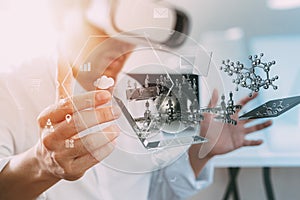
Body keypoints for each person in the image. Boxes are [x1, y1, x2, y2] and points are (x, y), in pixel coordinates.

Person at [0, 0, 273, 199]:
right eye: (104, 33)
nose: (119, 49)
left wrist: (201, 153)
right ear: (62, 17)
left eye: (132, 38)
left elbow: (158, 193)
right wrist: (41, 163)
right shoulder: (9, 88)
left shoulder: (152, 90)